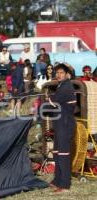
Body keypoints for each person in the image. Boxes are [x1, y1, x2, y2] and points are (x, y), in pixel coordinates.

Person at [47, 64, 76, 192]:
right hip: (59, 124)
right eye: (57, 72)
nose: (58, 75)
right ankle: (57, 180)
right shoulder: (61, 86)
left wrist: (48, 98)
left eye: (61, 73)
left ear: (67, 74)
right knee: (57, 153)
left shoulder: (67, 86)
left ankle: (65, 184)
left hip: (65, 124)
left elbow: (54, 99)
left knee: (63, 154)